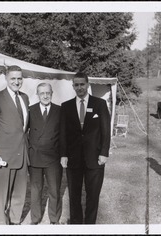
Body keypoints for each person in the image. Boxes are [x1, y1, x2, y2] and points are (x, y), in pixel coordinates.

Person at [60, 72, 111, 224]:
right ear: (73, 86)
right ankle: (76, 225)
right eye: (76, 84)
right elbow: (62, 133)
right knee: (74, 196)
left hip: (95, 158)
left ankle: (90, 225)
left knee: (93, 195)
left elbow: (106, 131)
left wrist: (104, 153)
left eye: (82, 84)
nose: (80, 87)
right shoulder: (66, 106)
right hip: (73, 159)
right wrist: (63, 154)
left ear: (88, 85)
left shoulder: (100, 104)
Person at [0, 65, 29, 225]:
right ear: (6, 78)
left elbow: (24, 128)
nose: (16, 82)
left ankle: (15, 222)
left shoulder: (24, 98)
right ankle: (1, 226)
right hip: (4, 157)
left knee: (19, 194)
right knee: (1, 196)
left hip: (22, 155)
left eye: (19, 78)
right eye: (13, 78)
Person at [28, 83, 62, 225]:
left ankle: (54, 219)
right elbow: (23, 133)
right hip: (35, 157)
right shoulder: (30, 110)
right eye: (42, 93)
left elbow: (64, 135)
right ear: (37, 94)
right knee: (36, 191)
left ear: (52, 93)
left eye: (48, 93)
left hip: (53, 158)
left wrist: (64, 155)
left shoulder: (60, 111)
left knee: (54, 190)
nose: (45, 96)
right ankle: (35, 219)